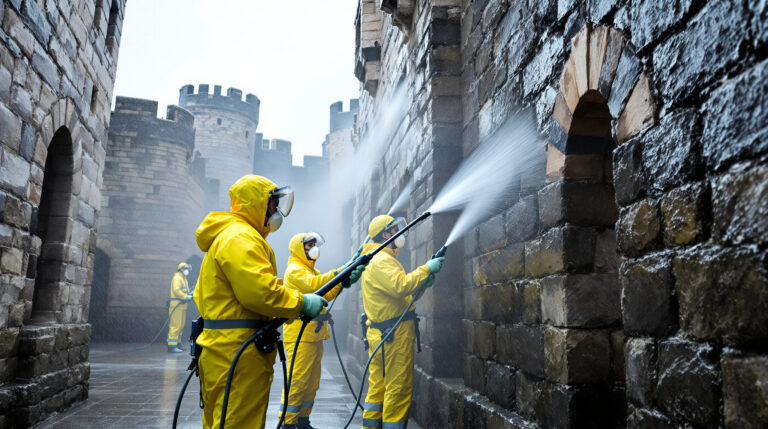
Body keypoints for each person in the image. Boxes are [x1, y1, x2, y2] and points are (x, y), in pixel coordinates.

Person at [193, 175, 331, 429]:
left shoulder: (232, 236)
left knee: (221, 421)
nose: (276, 211)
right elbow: (260, 292)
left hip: (225, 349)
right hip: (237, 351)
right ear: (257, 203)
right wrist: (300, 303)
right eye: (273, 204)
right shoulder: (240, 238)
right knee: (239, 422)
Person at [360, 215, 445, 429]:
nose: (401, 233)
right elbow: (402, 286)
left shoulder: (378, 258)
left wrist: (424, 282)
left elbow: (403, 297)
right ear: (387, 234)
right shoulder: (381, 260)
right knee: (398, 389)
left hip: (382, 334)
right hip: (394, 336)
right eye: (397, 229)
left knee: (378, 389)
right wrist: (426, 269)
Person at [279, 232, 361, 429]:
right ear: (299, 248)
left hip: (313, 334)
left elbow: (325, 290)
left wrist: (343, 280)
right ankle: (287, 423)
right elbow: (315, 285)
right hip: (300, 334)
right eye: (308, 245)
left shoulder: (310, 270)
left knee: (311, 382)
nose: (313, 248)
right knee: (297, 380)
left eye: (314, 245)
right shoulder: (295, 270)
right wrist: (342, 270)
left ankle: (302, 420)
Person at [167, 262, 193, 353]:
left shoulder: (183, 278)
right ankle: (171, 346)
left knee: (180, 326)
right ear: (182, 269)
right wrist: (186, 297)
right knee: (175, 326)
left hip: (182, 306)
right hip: (176, 306)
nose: (187, 271)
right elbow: (177, 291)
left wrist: (190, 294)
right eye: (186, 269)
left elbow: (185, 290)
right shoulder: (177, 278)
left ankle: (177, 343)